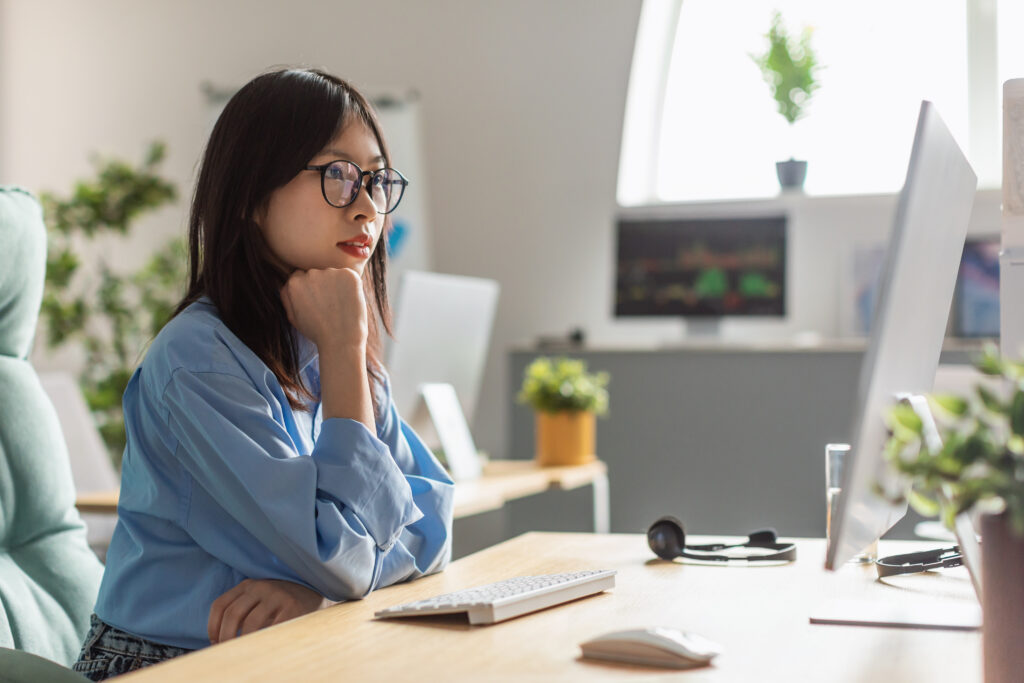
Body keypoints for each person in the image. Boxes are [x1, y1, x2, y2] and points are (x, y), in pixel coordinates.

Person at [72, 68, 454, 680]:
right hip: (162, 665)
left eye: (377, 179)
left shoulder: (334, 340)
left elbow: (432, 531)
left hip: (290, 650)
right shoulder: (196, 359)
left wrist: (321, 593)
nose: (367, 207)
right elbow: (343, 554)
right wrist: (333, 579)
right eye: (337, 176)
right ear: (251, 197)